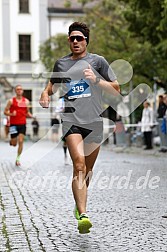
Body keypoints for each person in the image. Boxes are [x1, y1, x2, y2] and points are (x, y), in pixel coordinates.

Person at [39, 22, 120, 234]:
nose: (76, 41)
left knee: (88, 172)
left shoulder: (98, 61)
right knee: (79, 165)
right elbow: (51, 86)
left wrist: (97, 80)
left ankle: (78, 203)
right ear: (68, 40)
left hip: (94, 122)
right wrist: (45, 94)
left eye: (80, 38)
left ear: (86, 41)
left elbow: (116, 89)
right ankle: (83, 214)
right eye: (72, 38)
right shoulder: (61, 64)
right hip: (71, 120)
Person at [4, 84, 33, 166]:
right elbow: (5, 112)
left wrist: (30, 116)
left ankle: (18, 159)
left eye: (20, 89)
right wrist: (11, 114)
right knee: (14, 144)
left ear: (22, 91)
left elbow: (27, 112)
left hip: (22, 124)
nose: (19, 90)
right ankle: (12, 141)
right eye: (17, 89)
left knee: (21, 141)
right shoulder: (11, 101)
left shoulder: (26, 101)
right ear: (15, 91)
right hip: (13, 124)